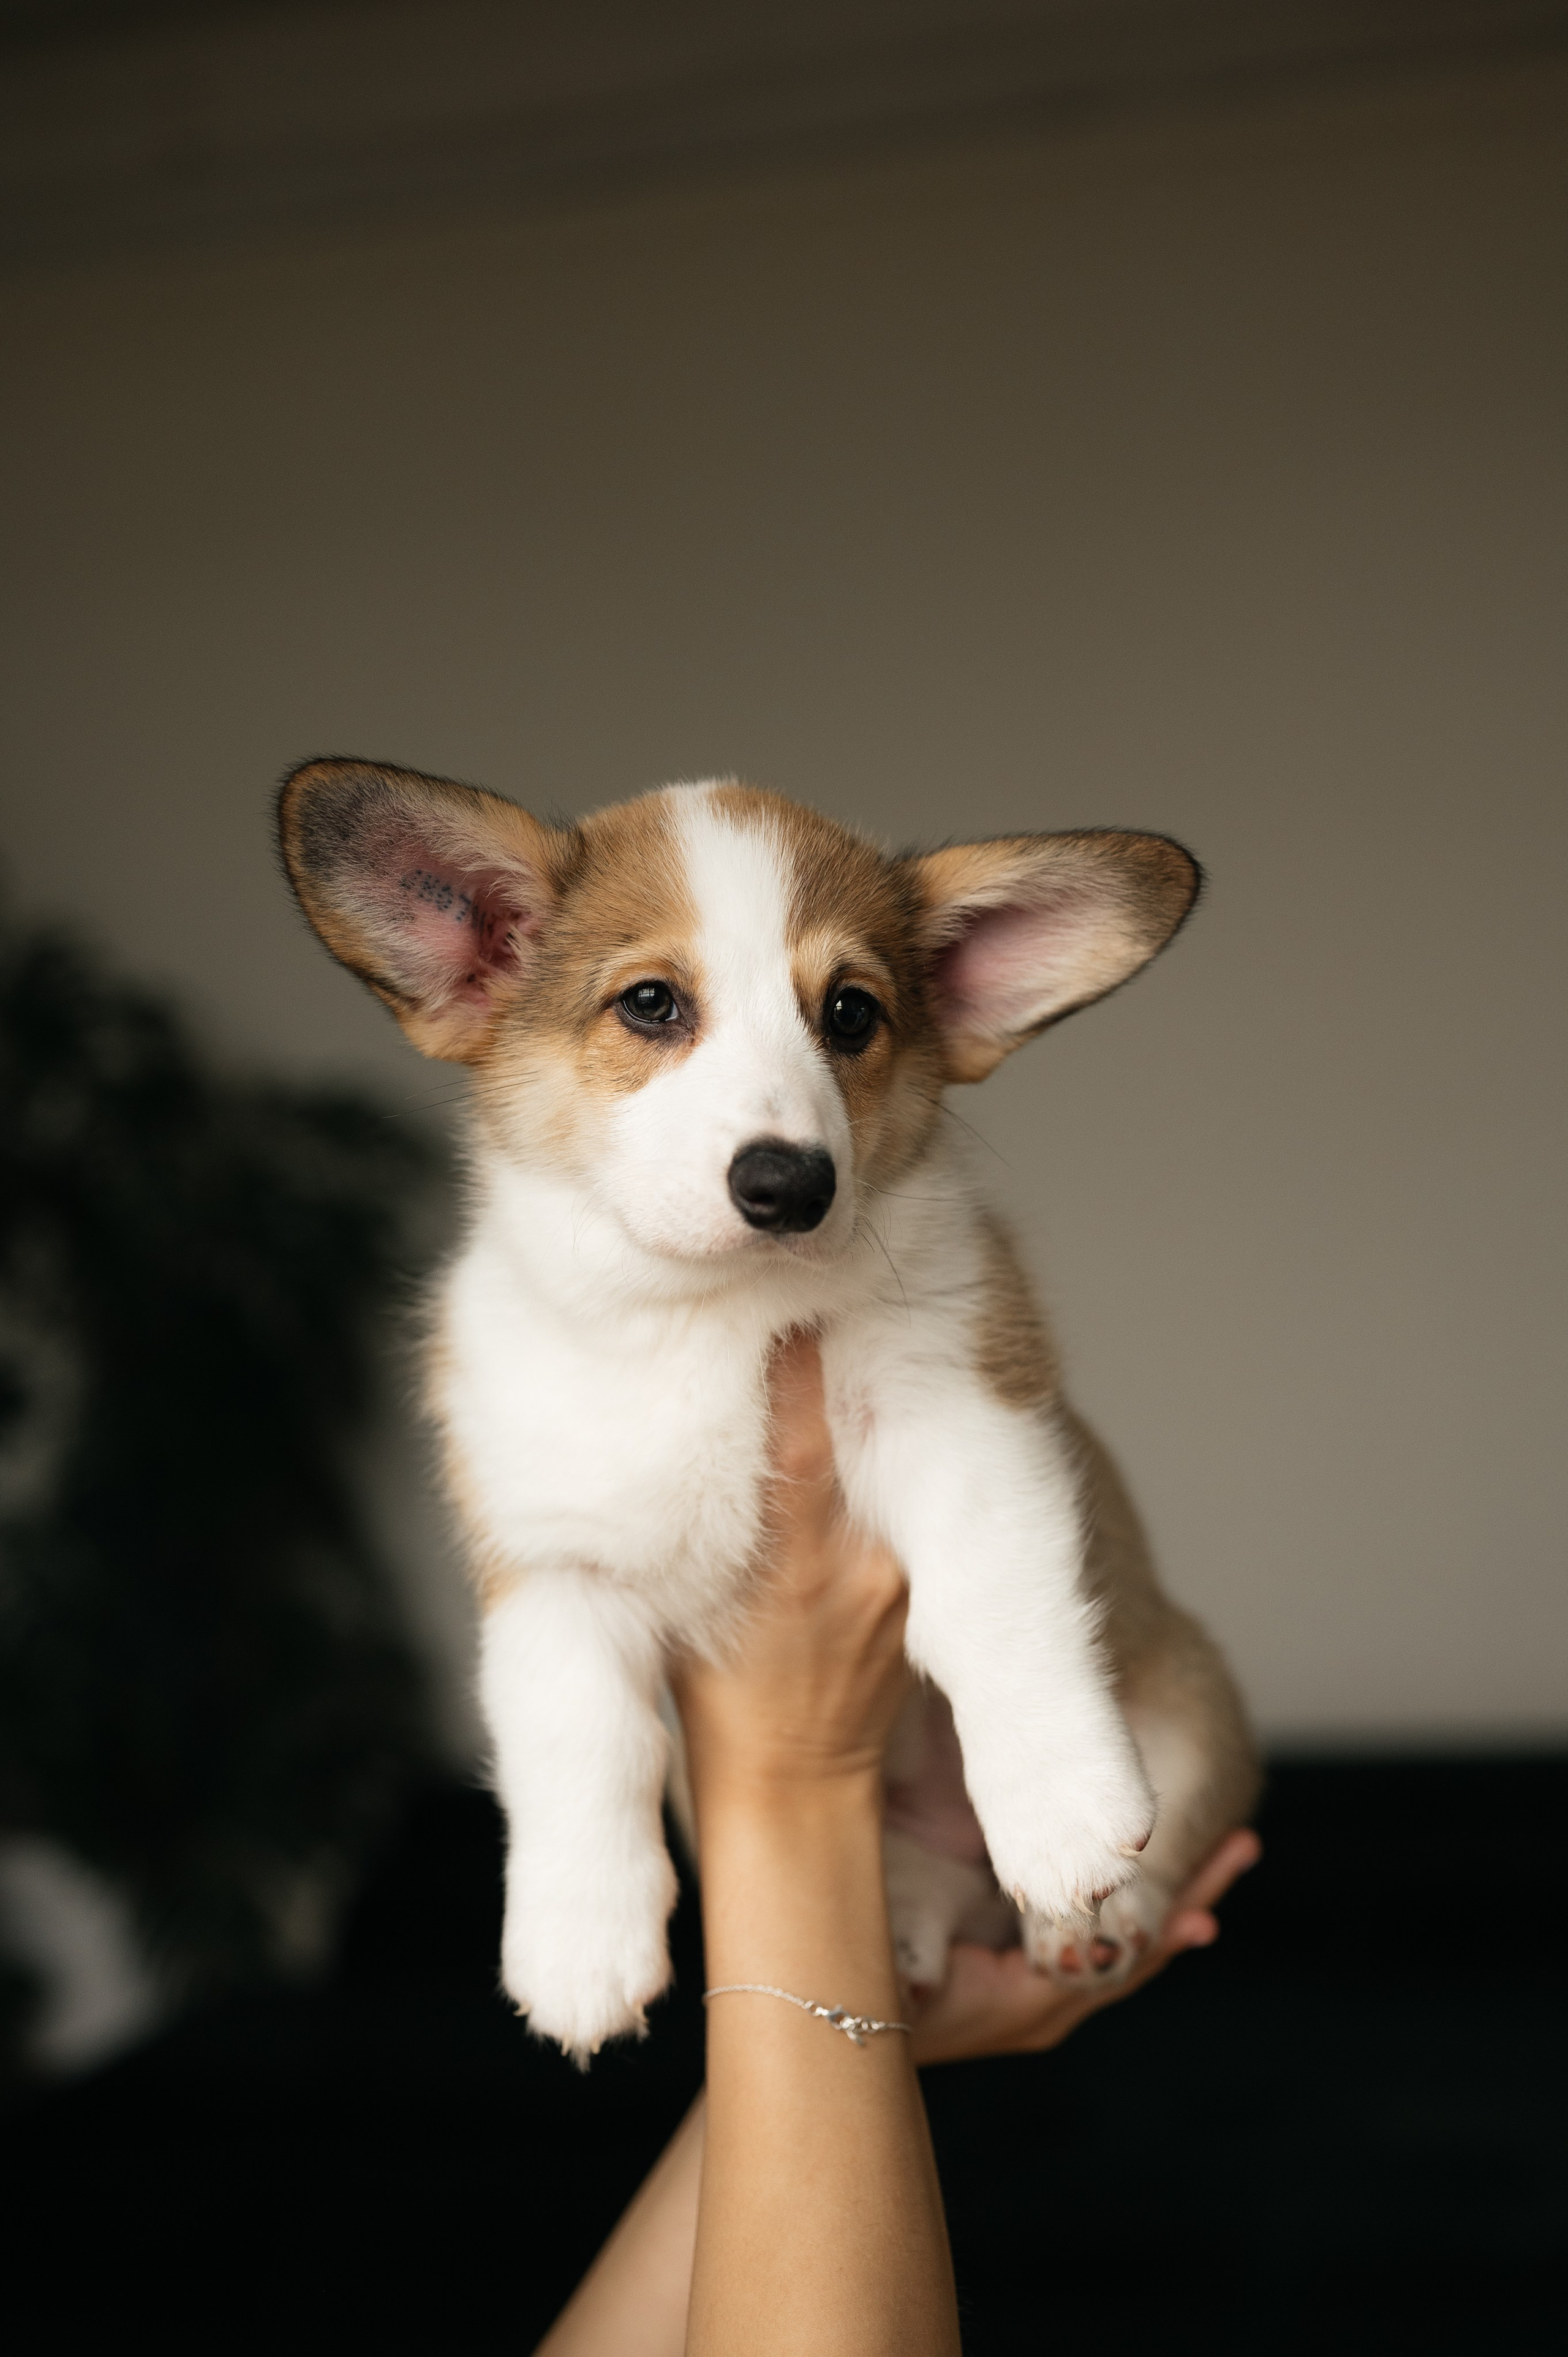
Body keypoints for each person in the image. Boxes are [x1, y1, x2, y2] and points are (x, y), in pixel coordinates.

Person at [538, 1336, 1260, 2356]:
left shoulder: (928, 1301)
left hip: (1084, 1733)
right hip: (872, 1832)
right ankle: (912, 1917)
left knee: (1185, 1720)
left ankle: (1098, 1895)